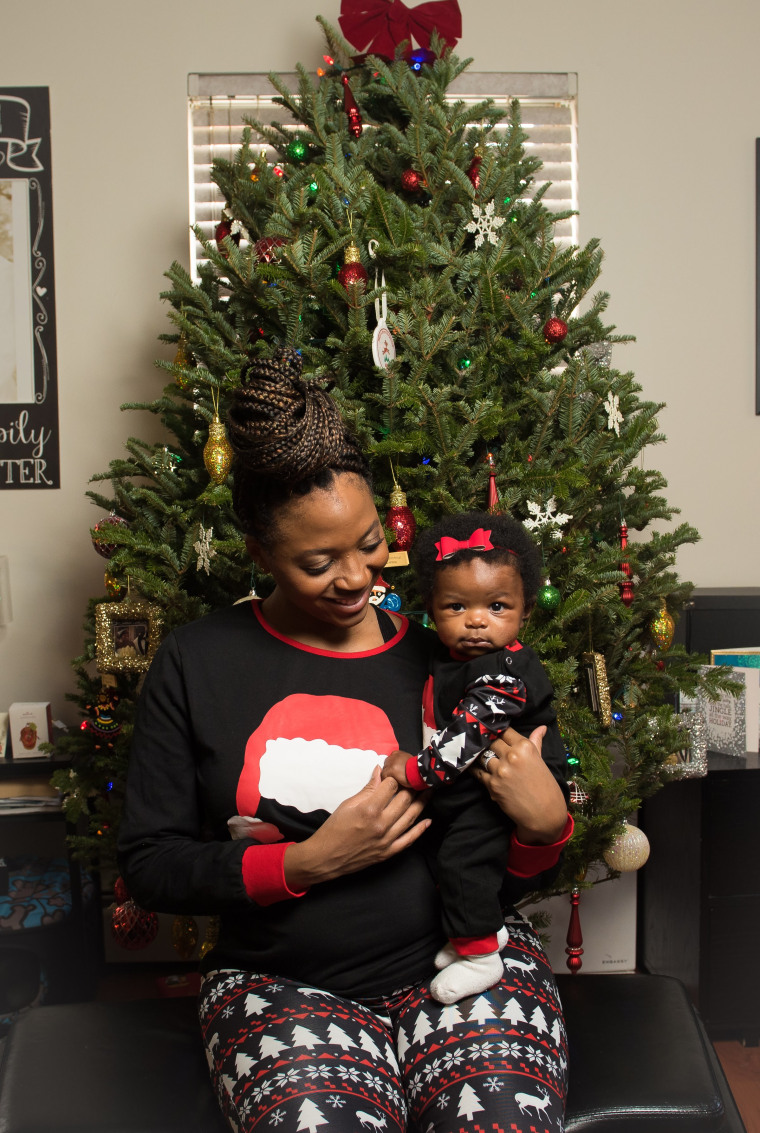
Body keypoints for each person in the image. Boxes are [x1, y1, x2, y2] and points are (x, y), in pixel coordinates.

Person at [117, 348, 572, 1133]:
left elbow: (510, 851)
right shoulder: (198, 660)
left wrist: (544, 825)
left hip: (463, 959)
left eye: (368, 542)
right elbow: (151, 863)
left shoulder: (452, 651)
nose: (358, 576)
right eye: (319, 561)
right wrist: (306, 862)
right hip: (282, 982)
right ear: (260, 554)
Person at [381, 512, 569, 1005]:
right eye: (456, 606)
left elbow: (467, 736)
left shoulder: (504, 671)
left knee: (463, 862)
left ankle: (483, 954)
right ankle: (475, 934)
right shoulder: (451, 659)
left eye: (497, 606)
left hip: (503, 793)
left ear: (525, 610)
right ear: (431, 610)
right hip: (475, 787)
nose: (477, 620)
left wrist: (415, 770)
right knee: (450, 861)